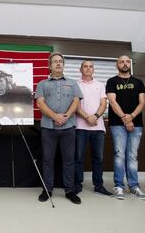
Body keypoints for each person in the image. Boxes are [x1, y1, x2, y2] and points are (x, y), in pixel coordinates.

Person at [35, 52, 83, 204]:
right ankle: (47, 189)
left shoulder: (73, 83)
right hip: (48, 127)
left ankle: (69, 191)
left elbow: (76, 102)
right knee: (48, 160)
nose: (58, 64)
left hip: (68, 127)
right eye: (55, 61)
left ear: (63, 65)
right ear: (50, 65)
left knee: (69, 160)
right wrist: (55, 116)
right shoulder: (42, 84)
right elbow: (40, 103)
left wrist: (66, 116)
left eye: (60, 62)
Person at [106, 55, 145, 200]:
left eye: (126, 62)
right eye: (121, 61)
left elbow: (142, 103)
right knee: (119, 154)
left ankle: (134, 186)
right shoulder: (112, 81)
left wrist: (131, 117)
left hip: (136, 124)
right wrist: (125, 118)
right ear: (116, 64)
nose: (124, 64)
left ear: (129, 64)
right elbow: (112, 101)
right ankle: (118, 187)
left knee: (132, 156)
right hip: (117, 124)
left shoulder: (139, 82)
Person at [74, 60, 113, 196]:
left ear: (93, 70)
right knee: (78, 157)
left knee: (98, 158)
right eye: (85, 66)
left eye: (90, 67)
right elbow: (76, 104)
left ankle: (98, 185)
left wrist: (95, 116)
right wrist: (87, 117)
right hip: (80, 127)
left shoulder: (100, 85)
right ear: (80, 69)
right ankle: (77, 184)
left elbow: (103, 104)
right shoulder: (75, 84)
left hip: (98, 128)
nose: (88, 68)